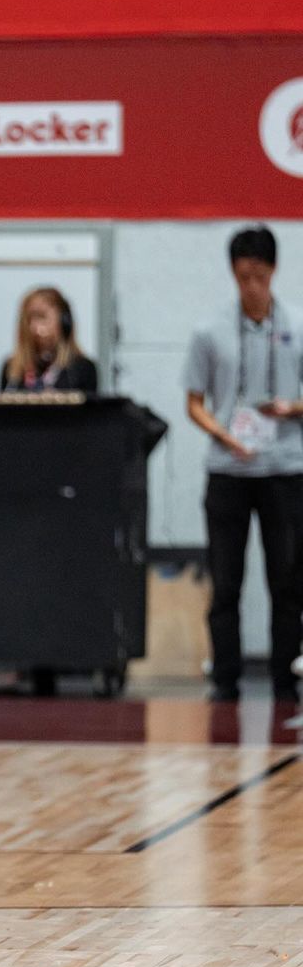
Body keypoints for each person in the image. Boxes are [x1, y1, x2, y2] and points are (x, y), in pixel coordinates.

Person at [183, 225, 303, 703]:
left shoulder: (298, 325)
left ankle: (286, 678)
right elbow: (194, 402)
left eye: (259, 276)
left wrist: (291, 408)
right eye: (242, 276)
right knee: (226, 580)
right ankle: (225, 679)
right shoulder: (209, 331)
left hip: (285, 468)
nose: (251, 286)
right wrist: (223, 435)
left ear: (273, 271)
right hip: (228, 470)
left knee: (288, 580)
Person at [0, 287, 98, 393]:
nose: (34, 327)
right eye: (29, 320)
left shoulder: (82, 369)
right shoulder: (11, 368)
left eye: (42, 317)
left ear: (64, 322)